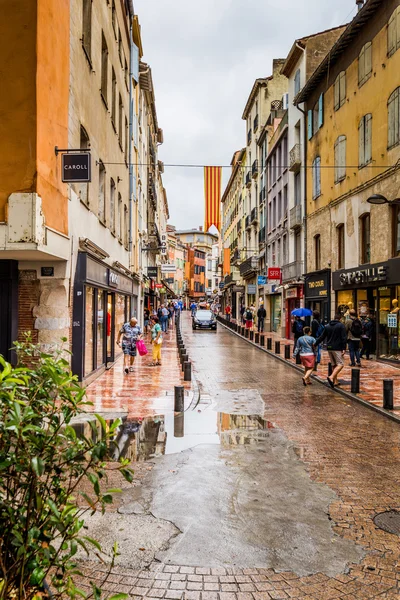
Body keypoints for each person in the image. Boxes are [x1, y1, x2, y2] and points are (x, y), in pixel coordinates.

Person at [315, 313, 347, 388]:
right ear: (340, 319)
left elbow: (322, 336)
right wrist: (344, 348)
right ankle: (331, 377)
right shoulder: (341, 326)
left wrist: (315, 343)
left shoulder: (327, 326)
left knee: (334, 364)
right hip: (337, 347)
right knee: (340, 364)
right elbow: (344, 338)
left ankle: (335, 381)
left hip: (329, 347)